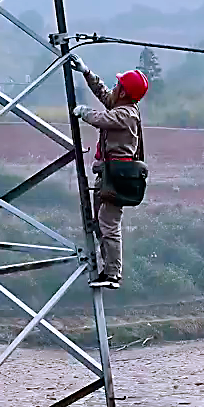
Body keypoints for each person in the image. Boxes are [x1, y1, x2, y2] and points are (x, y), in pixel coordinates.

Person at [68, 54, 149, 289]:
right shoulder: (122, 105)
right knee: (100, 222)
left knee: (108, 222)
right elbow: (105, 95)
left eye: (118, 85)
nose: (114, 88)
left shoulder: (126, 114)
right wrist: (86, 72)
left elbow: (102, 118)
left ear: (124, 92)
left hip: (117, 177)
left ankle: (112, 274)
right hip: (109, 174)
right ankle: (107, 270)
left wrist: (84, 112)